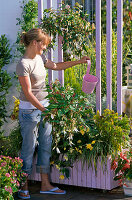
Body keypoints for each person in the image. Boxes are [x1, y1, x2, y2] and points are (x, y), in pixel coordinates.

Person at [16, 28, 90, 199]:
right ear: (35, 43)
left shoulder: (40, 58)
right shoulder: (24, 64)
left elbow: (56, 66)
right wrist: (45, 109)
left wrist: (79, 61)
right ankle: (23, 185)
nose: (44, 49)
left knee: (46, 145)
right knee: (28, 148)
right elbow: (28, 93)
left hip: (45, 109)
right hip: (29, 112)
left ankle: (45, 184)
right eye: (44, 45)